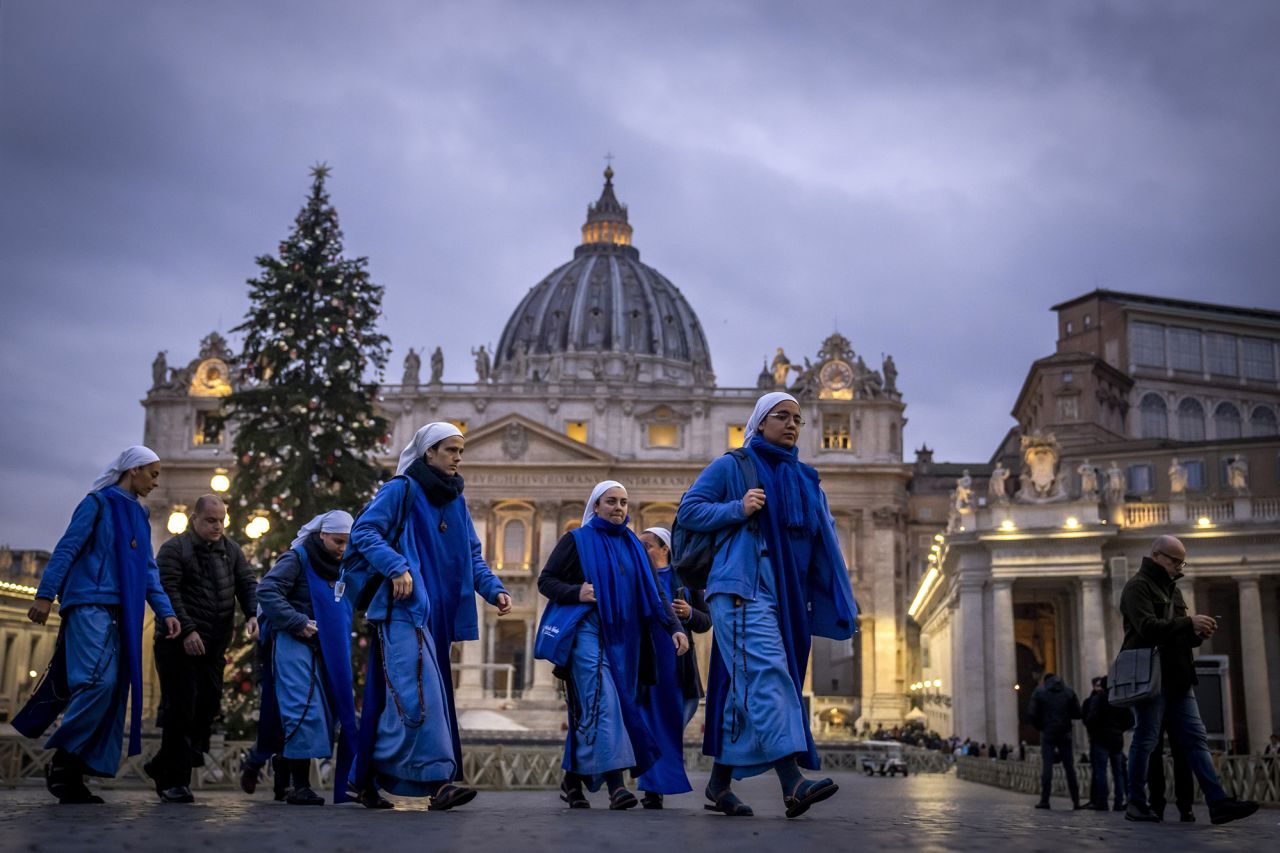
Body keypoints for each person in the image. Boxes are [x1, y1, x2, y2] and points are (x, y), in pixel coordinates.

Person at [676, 391, 858, 818]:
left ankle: (719, 785)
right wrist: (738, 508)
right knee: (769, 673)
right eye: (782, 417)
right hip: (742, 586)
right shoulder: (733, 466)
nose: (792, 424)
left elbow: (822, 542)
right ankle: (792, 781)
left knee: (745, 687)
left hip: (784, 593)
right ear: (759, 423)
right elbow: (689, 511)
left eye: (798, 419)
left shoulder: (805, 479)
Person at [348, 422, 512, 810]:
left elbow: (472, 555)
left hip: (439, 615)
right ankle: (440, 783)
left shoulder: (456, 500)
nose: (458, 457)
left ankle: (364, 778)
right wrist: (396, 566)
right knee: (421, 696)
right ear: (428, 453)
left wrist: (495, 589)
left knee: (397, 699)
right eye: (451, 450)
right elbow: (364, 532)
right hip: (404, 609)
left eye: (460, 450)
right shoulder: (400, 489)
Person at [14, 446, 181, 803]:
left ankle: (71, 773)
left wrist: (166, 612)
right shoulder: (97, 503)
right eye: (152, 473)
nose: (156, 481)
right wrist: (45, 594)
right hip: (89, 603)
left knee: (114, 690)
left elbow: (147, 570)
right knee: (96, 683)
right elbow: (67, 548)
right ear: (133, 470)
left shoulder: (139, 513)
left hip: (124, 611)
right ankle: (61, 759)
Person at [536, 482, 690, 810]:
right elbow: (546, 580)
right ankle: (616, 786)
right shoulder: (576, 540)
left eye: (623, 502)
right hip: (588, 634)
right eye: (611, 502)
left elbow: (655, 593)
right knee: (606, 704)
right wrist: (577, 592)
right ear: (596, 505)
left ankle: (572, 782)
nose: (618, 507)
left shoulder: (634, 545)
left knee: (591, 710)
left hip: (627, 641)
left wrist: (674, 628)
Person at [1121, 535, 1258, 825]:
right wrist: (1188, 622)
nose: (1178, 567)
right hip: (1152, 678)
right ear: (1157, 556)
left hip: (1179, 677)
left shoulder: (1174, 591)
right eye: (1174, 561)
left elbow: (1176, 634)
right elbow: (1146, 628)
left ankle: (1217, 802)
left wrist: (1197, 635)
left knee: (1197, 740)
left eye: (1181, 562)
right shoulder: (1136, 587)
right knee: (1145, 741)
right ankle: (1135, 802)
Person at [147, 494, 259, 803]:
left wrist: (252, 613)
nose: (217, 526)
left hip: (213, 645)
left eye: (222, 520)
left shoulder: (230, 551)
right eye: (211, 520)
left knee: (207, 706)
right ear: (194, 519)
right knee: (181, 708)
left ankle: (160, 765)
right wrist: (187, 630)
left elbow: (247, 583)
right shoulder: (174, 549)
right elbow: (167, 592)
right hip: (176, 642)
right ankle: (175, 781)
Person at [255, 510, 360, 805]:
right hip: (293, 640)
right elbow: (268, 590)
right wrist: (296, 621)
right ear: (322, 535)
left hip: (325, 646)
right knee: (303, 709)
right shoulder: (297, 558)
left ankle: (283, 770)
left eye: (347, 545)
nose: (342, 549)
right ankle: (300, 785)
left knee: (324, 713)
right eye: (338, 542)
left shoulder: (343, 566)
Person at [636, 525, 711, 809]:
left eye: (647, 546)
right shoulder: (638, 577)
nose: (641, 551)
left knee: (669, 727)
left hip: (678, 666)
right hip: (647, 662)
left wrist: (690, 613)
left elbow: (706, 622)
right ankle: (652, 789)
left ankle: (658, 784)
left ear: (665, 548)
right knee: (650, 726)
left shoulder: (686, 580)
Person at [1027, 673, 1082, 810]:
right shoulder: (1068, 692)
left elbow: (1032, 714)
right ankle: (1076, 801)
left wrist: (1041, 726)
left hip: (1048, 733)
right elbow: (1078, 713)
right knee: (1070, 768)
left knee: (1047, 768)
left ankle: (1045, 800)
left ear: (1045, 681)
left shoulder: (1039, 691)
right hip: (1065, 733)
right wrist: (1066, 718)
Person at [1082, 675, 1132, 811]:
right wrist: (1119, 730)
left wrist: (1094, 731)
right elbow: (1130, 720)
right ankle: (1118, 802)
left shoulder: (1098, 700)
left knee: (1101, 771)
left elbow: (1090, 718)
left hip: (1100, 739)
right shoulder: (1119, 701)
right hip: (1116, 740)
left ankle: (1102, 802)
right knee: (1118, 773)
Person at [1147, 718, 1195, 822]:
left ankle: (1156, 806)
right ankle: (1186, 807)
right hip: (1175, 704)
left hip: (1154, 704)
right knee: (1181, 754)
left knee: (1154, 753)